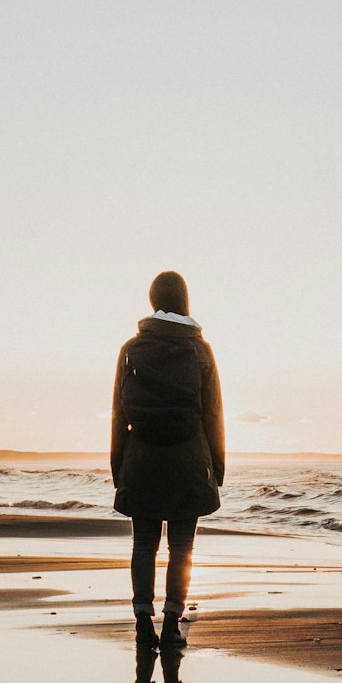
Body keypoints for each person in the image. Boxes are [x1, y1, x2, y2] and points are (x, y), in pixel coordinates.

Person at [110, 271, 225, 649]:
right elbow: (213, 415)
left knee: (144, 545)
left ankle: (143, 623)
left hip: (141, 458)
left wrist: (118, 465)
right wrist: (217, 468)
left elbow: (118, 413)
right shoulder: (200, 349)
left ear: (152, 301)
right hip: (188, 460)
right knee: (182, 546)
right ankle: (172, 623)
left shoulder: (130, 348)